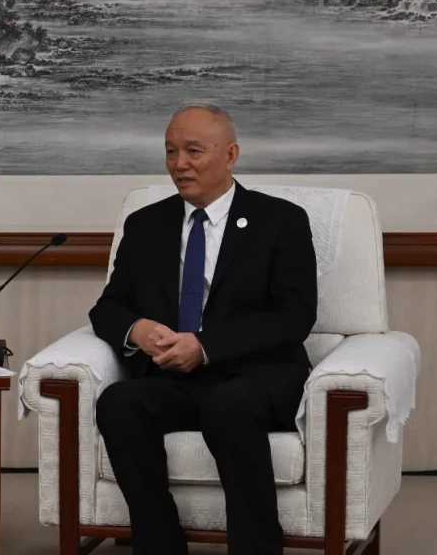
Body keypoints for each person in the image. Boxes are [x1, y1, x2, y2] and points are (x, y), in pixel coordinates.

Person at [89, 104, 317, 555]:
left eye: (194, 151)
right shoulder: (146, 224)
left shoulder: (281, 221)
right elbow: (108, 308)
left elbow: (294, 316)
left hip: (256, 378)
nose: (180, 164)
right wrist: (138, 330)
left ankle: (256, 548)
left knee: (227, 405)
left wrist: (206, 346)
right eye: (171, 152)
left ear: (230, 155)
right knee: (119, 402)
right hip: (176, 378)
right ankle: (159, 543)